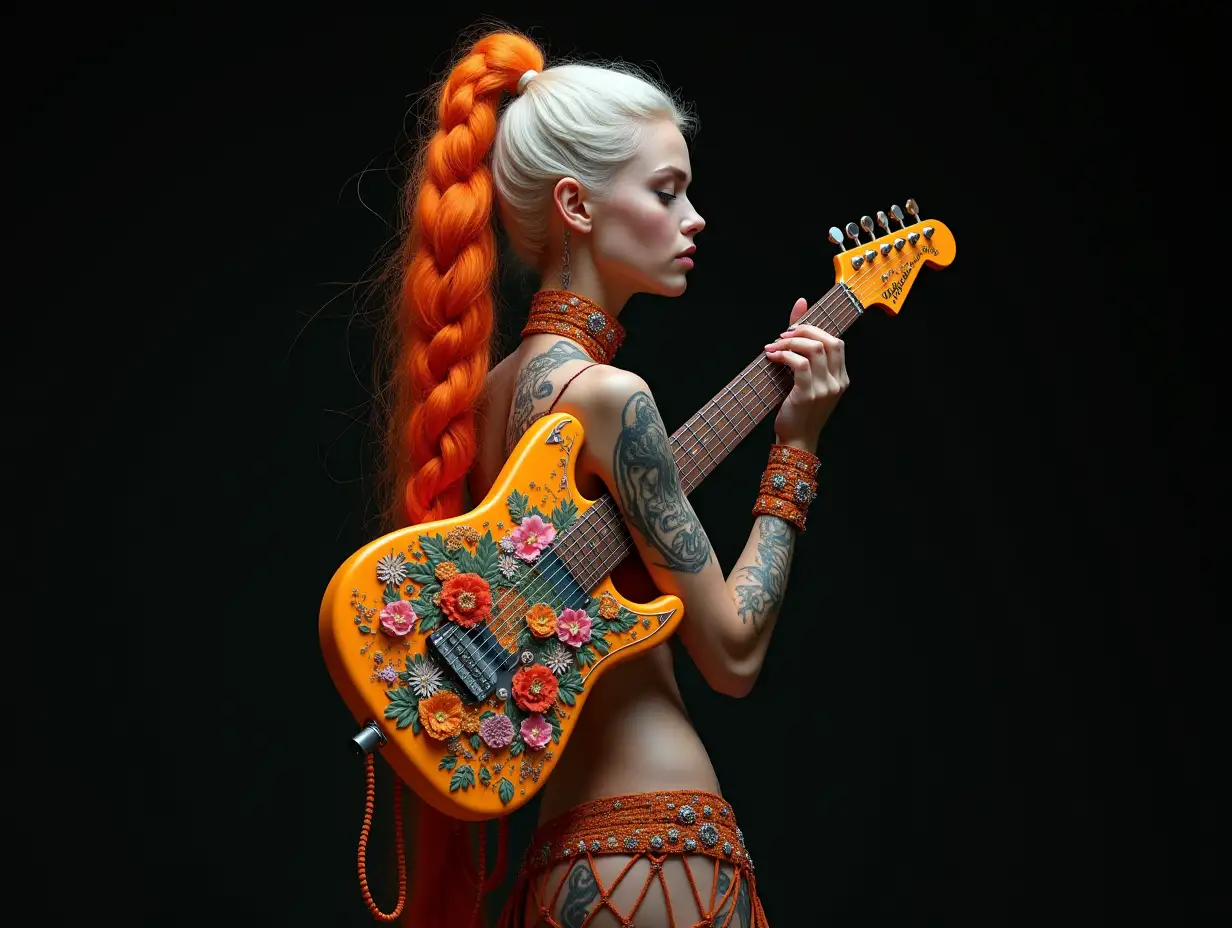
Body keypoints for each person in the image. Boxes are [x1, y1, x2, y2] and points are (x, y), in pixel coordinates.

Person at [370, 25, 849, 928]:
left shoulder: (477, 400)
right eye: (667, 192)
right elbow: (733, 653)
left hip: (560, 865)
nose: (694, 217)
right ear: (576, 207)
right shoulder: (613, 400)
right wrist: (798, 448)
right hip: (660, 849)